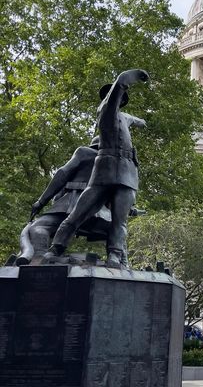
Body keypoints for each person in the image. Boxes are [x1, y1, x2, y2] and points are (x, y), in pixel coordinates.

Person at [44, 69, 149, 268]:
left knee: (120, 220)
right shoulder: (106, 111)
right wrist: (127, 77)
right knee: (79, 212)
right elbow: (119, 86)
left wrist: (142, 122)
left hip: (127, 172)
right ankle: (56, 248)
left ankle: (115, 256)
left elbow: (133, 120)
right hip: (105, 169)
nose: (115, 100)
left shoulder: (123, 116)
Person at [15, 136, 110, 265]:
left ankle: (40, 257)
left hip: (72, 204)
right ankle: (117, 260)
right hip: (100, 213)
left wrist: (41, 201)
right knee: (116, 231)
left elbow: (62, 173)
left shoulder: (84, 152)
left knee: (38, 227)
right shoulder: (116, 163)